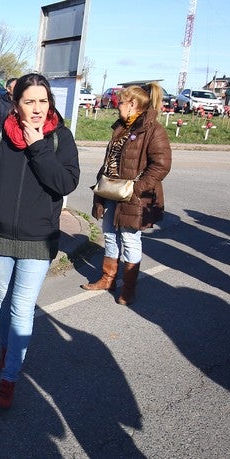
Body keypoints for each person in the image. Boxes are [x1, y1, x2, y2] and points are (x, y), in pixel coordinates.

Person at [0, 73, 80, 409]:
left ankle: (9, 377)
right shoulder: (1, 134)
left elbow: (65, 183)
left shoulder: (60, 138)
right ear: (16, 105)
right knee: (2, 297)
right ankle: (8, 349)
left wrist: (38, 147)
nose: (36, 109)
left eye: (42, 101)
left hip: (39, 237)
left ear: (50, 104)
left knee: (21, 306)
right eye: (29, 101)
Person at [81, 82, 172, 306]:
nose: (116, 105)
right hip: (111, 190)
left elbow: (161, 165)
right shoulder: (121, 126)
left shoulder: (153, 129)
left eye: (120, 102)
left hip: (133, 195)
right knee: (110, 234)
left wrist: (136, 189)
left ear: (132, 104)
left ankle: (128, 288)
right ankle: (107, 279)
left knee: (130, 239)